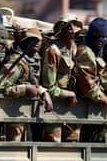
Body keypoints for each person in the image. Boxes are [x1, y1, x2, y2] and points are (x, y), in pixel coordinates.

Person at [41, 13, 83, 142]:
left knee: (74, 147)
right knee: (53, 146)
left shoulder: (76, 49)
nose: (71, 28)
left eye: (74, 25)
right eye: (67, 25)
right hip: (55, 106)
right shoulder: (53, 51)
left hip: (72, 106)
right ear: (60, 29)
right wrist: (69, 94)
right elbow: (49, 87)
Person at [75, 17, 107, 142]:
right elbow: (88, 88)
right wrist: (105, 100)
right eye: (97, 35)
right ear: (91, 35)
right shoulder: (86, 52)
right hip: (84, 103)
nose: (101, 40)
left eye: (104, 37)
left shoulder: (96, 52)